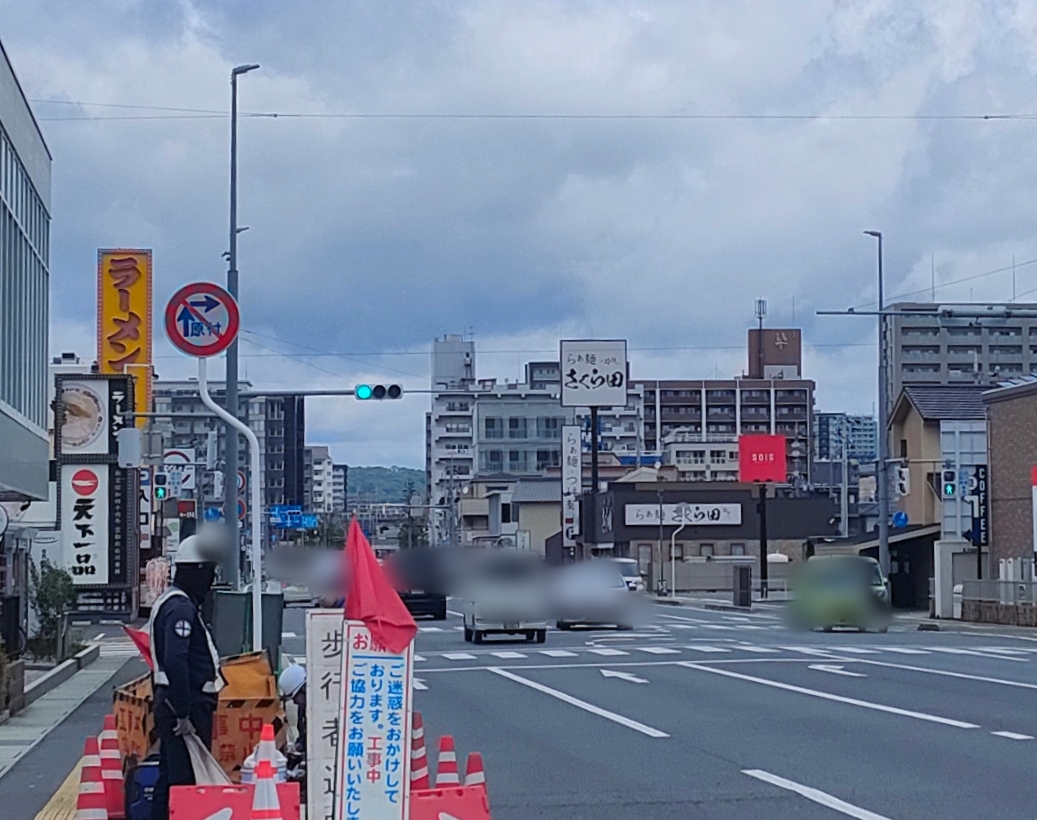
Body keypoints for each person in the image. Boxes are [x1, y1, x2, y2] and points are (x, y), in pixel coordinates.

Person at [149, 534, 225, 820]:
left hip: (175, 703)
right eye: (208, 572)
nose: (210, 581)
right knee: (185, 782)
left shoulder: (175, 603)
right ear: (196, 571)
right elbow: (175, 660)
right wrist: (183, 712)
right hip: (185, 706)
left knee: (170, 778)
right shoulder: (180, 607)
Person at [278, 663, 307, 755]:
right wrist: (299, 744)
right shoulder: (302, 710)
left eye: (294, 697)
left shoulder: (319, 708)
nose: (294, 702)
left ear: (304, 689)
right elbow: (304, 734)